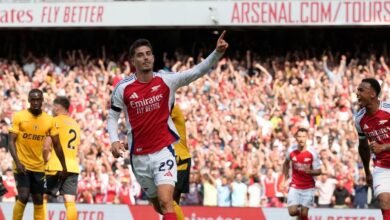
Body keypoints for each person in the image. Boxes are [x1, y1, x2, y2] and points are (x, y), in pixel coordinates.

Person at [108, 31, 228, 220]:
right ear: (133, 60)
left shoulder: (166, 80)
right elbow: (112, 117)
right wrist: (114, 141)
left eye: (148, 54)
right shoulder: (123, 88)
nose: (145, 58)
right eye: (140, 55)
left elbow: (196, 71)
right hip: (138, 156)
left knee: (166, 201)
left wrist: (217, 53)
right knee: (159, 206)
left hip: (163, 151)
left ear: (153, 57)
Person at [8, 89, 67, 220]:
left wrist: (64, 166)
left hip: (38, 167)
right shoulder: (19, 116)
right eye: (33, 99)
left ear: (42, 101)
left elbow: (57, 145)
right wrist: (17, 162)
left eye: (38, 99)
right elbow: (11, 142)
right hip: (21, 165)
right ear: (29, 101)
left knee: (39, 199)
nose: (35, 102)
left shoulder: (49, 120)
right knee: (23, 196)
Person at [355, 78, 390, 220]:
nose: (357, 93)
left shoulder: (388, 110)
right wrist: (367, 171)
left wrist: (385, 147)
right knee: (384, 201)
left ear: (372, 94)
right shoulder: (359, 119)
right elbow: (363, 147)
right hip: (382, 167)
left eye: (361, 90)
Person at [43, 96, 81, 220]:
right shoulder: (75, 124)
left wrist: (44, 160)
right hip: (72, 167)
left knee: (42, 196)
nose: (52, 109)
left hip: (55, 165)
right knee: (69, 201)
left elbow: (46, 146)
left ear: (58, 107)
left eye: (53, 106)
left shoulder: (53, 121)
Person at [282, 128, 321, 220]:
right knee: (292, 212)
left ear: (307, 137)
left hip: (308, 186)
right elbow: (286, 163)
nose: (301, 139)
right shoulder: (291, 150)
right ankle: (298, 215)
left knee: (304, 212)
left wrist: (310, 171)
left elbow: (319, 171)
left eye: (303, 136)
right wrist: (285, 179)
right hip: (295, 186)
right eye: (299, 136)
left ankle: (301, 216)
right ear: (296, 138)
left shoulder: (312, 153)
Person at [171, 104, 192, 206]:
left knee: (172, 199)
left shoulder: (172, 108)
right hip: (170, 158)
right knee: (168, 200)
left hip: (181, 158)